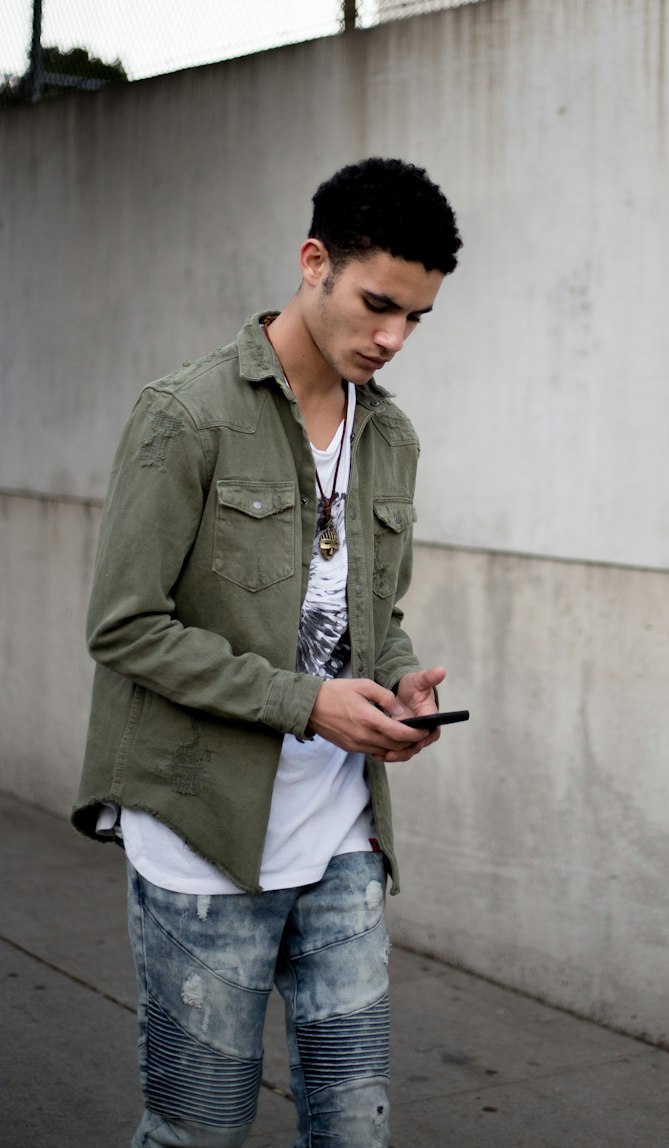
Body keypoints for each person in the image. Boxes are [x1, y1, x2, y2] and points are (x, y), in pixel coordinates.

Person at [72, 156, 463, 1148]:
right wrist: (305, 703)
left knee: (353, 1128)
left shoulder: (391, 438)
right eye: (379, 304)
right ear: (312, 262)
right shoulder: (186, 415)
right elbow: (124, 625)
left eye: (415, 319)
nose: (392, 338)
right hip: (204, 839)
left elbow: (369, 613)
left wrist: (395, 686)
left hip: (340, 837)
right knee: (197, 1129)